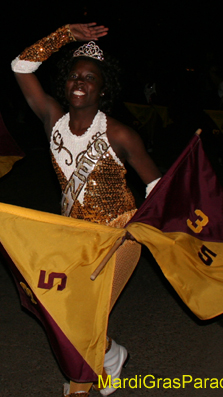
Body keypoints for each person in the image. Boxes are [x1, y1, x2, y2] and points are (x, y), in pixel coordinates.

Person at [12, 23, 161, 397]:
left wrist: (143, 230)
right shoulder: (52, 120)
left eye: (90, 77)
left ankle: (82, 381)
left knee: (81, 314)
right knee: (56, 305)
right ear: (64, 83)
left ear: (103, 87)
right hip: (75, 234)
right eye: (74, 76)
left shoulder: (119, 134)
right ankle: (112, 355)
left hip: (119, 235)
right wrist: (64, 35)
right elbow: (20, 66)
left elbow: (158, 187)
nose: (80, 82)